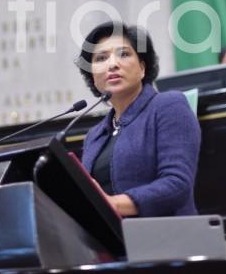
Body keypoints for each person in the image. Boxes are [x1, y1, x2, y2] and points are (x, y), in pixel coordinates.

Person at [77, 21, 201, 217]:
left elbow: (177, 184)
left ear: (142, 68)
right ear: (93, 76)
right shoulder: (94, 136)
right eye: (101, 58)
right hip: (110, 242)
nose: (112, 64)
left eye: (124, 54)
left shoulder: (168, 106)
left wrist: (113, 204)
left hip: (167, 238)